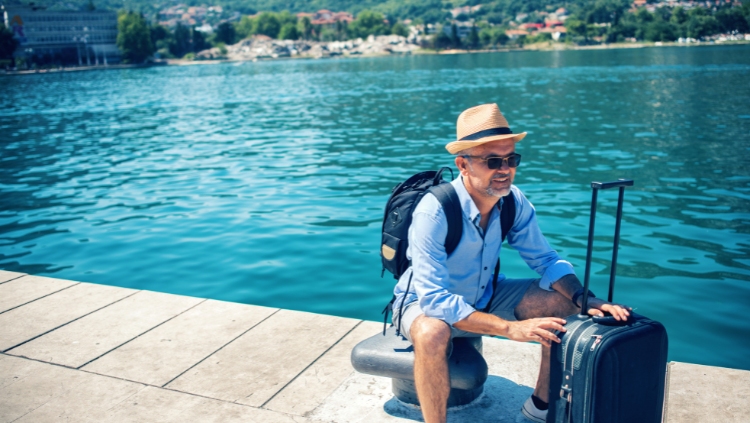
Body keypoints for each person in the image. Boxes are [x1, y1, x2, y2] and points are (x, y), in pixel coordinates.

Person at [391, 103, 631, 423]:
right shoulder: (434, 211)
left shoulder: (512, 201)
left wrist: (585, 298)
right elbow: (435, 300)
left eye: (511, 159)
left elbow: (545, 259)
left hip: (484, 296)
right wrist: (510, 329)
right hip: (421, 304)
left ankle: (538, 409)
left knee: (563, 305)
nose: (505, 169)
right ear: (463, 164)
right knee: (432, 331)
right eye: (493, 161)